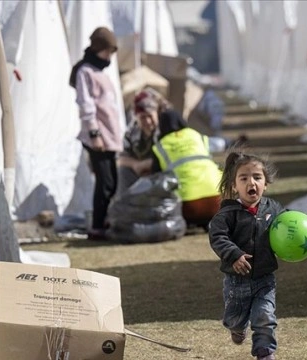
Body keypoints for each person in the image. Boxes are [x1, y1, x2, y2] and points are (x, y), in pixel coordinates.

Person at [208, 151, 285, 360]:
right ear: (234, 186)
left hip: (264, 278)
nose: (251, 182)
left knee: (265, 317)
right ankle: (236, 327)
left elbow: (291, 222)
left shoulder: (273, 209)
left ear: (266, 183)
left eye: (257, 177)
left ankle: (266, 356)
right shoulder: (228, 213)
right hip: (236, 281)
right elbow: (218, 237)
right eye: (244, 178)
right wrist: (234, 255)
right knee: (235, 318)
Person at [119, 88, 222, 229]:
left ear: (157, 114)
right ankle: (127, 215)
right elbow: (120, 158)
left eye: (150, 116)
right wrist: (136, 164)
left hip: (170, 186)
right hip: (218, 198)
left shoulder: (166, 134)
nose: (148, 121)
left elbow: (161, 167)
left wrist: (147, 164)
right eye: (143, 118)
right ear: (136, 118)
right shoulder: (196, 136)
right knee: (123, 172)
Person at [70, 27, 122, 240]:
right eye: (107, 51)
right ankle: (97, 226)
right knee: (105, 182)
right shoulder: (85, 71)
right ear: (99, 48)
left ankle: (105, 220)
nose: (109, 56)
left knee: (112, 182)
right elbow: (86, 104)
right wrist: (94, 132)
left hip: (110, 136)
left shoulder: (100, 72)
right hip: (98, 137)